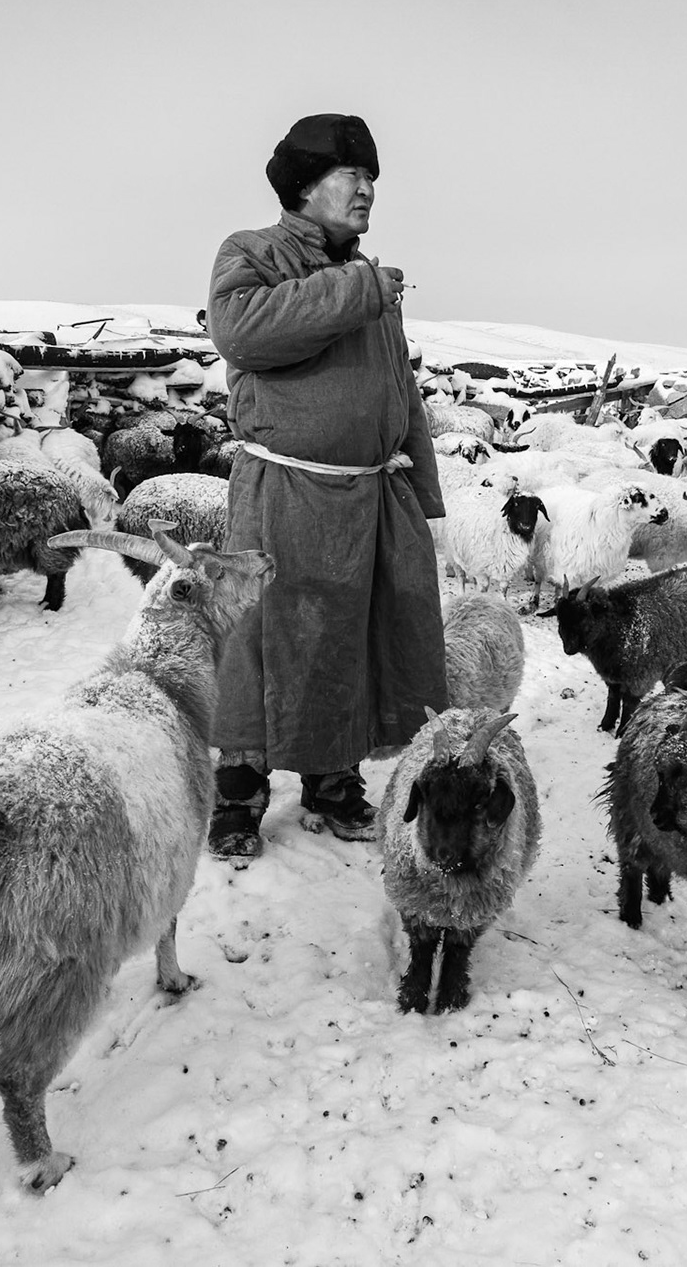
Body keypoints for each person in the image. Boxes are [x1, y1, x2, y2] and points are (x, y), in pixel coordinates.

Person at [203, 113, 447, 860]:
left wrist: (424, 491)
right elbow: (242, 331)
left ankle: (333, 778)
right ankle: (240, 793)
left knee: (348, 637)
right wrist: (358, 288)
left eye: (372, 177)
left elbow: (396, 387)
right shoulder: (254, 253)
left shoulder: (372, 283)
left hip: (368, 494)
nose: (367, 189)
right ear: (306, 185)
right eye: (352, 174)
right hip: (283, 492)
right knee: (263, 637)